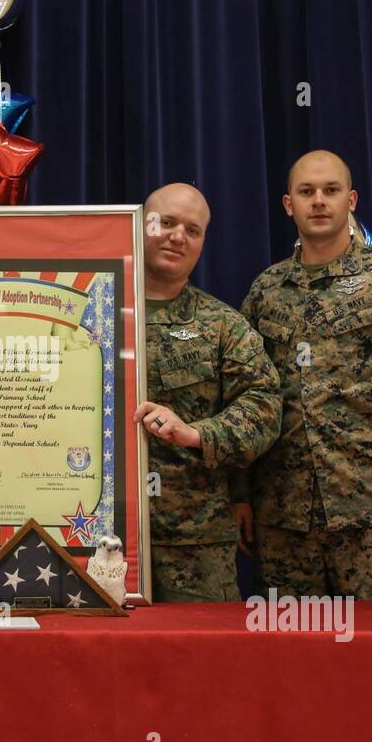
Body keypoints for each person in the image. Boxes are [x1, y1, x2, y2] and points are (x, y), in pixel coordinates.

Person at [232, 150, 372, 603]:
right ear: (287, 204)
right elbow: (247, 397)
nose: (319, 201)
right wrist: (241, 494)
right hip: (285, 522)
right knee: (294, 665)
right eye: (307, 191)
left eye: (331, 191)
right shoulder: (265, 292)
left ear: (351, 199)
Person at [132, 183, 281, 602]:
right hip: (93, 532)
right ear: (139, 224)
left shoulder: (222, 326)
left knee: (202, 664)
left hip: (193, 544)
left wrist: (198, 434)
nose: (178, 236)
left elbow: (265, 406)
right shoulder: (90, 308)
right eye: (166, 222)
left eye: (193, 230)